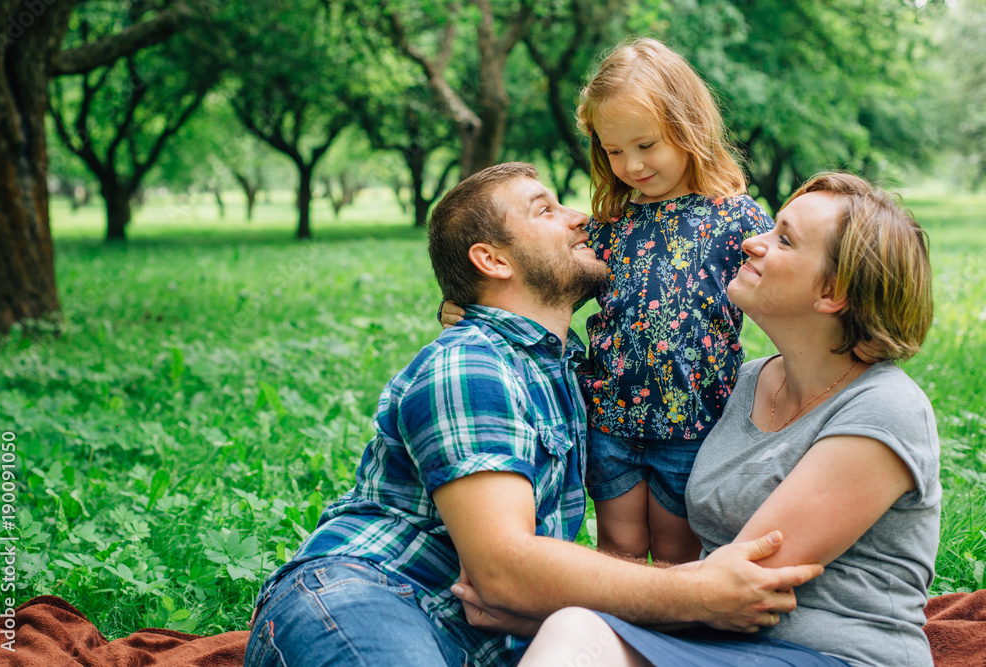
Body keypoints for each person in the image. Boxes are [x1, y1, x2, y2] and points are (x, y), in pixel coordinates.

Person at [243, 163, 823, 667]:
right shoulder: (470, 364)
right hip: (369, 595)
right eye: (545, 209)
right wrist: (698, 591)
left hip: (489, 638)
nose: (579, 218)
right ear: (492, 259)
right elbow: (503, 569)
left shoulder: (566, 373)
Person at [492, 172, 939, 667]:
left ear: (832, 292)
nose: (751, 240)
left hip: (828, 654)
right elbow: (704, 593)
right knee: (577, 633)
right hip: (713, 644)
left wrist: (535, 602)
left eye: (783, 239)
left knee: (574, 630)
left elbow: (735, 588)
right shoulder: (750, 382)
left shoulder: (884, 408)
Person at [441, 37, 774, 566]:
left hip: (691, 421)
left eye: (646, 145)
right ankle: (608, 643)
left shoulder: (736, 219)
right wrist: (468, 308)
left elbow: (784, 296)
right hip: (611, 421)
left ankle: (665, 648)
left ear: (689, 129)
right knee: (615, 551)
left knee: (675, 559)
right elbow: (542, 288)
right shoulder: (612, 227)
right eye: (614, 151)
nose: (631, 165)